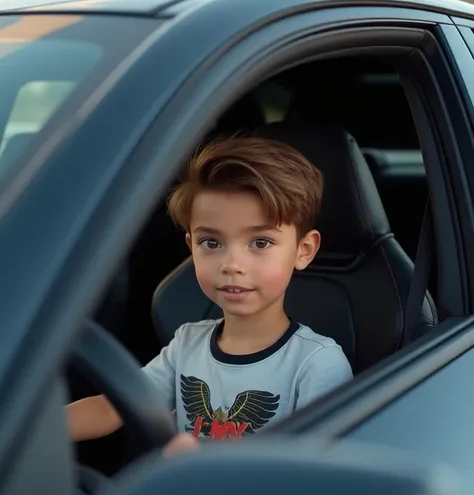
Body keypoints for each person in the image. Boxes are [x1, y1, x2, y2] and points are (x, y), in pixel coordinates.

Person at [67, 135, 353, 456]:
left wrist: (202, 472)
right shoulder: (188, 343)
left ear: (304, 250)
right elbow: (113, 408)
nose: (232, 265)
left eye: (260, 243)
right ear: (191, 248)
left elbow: (314, 471)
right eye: (212, 243)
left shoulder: (317, 364)